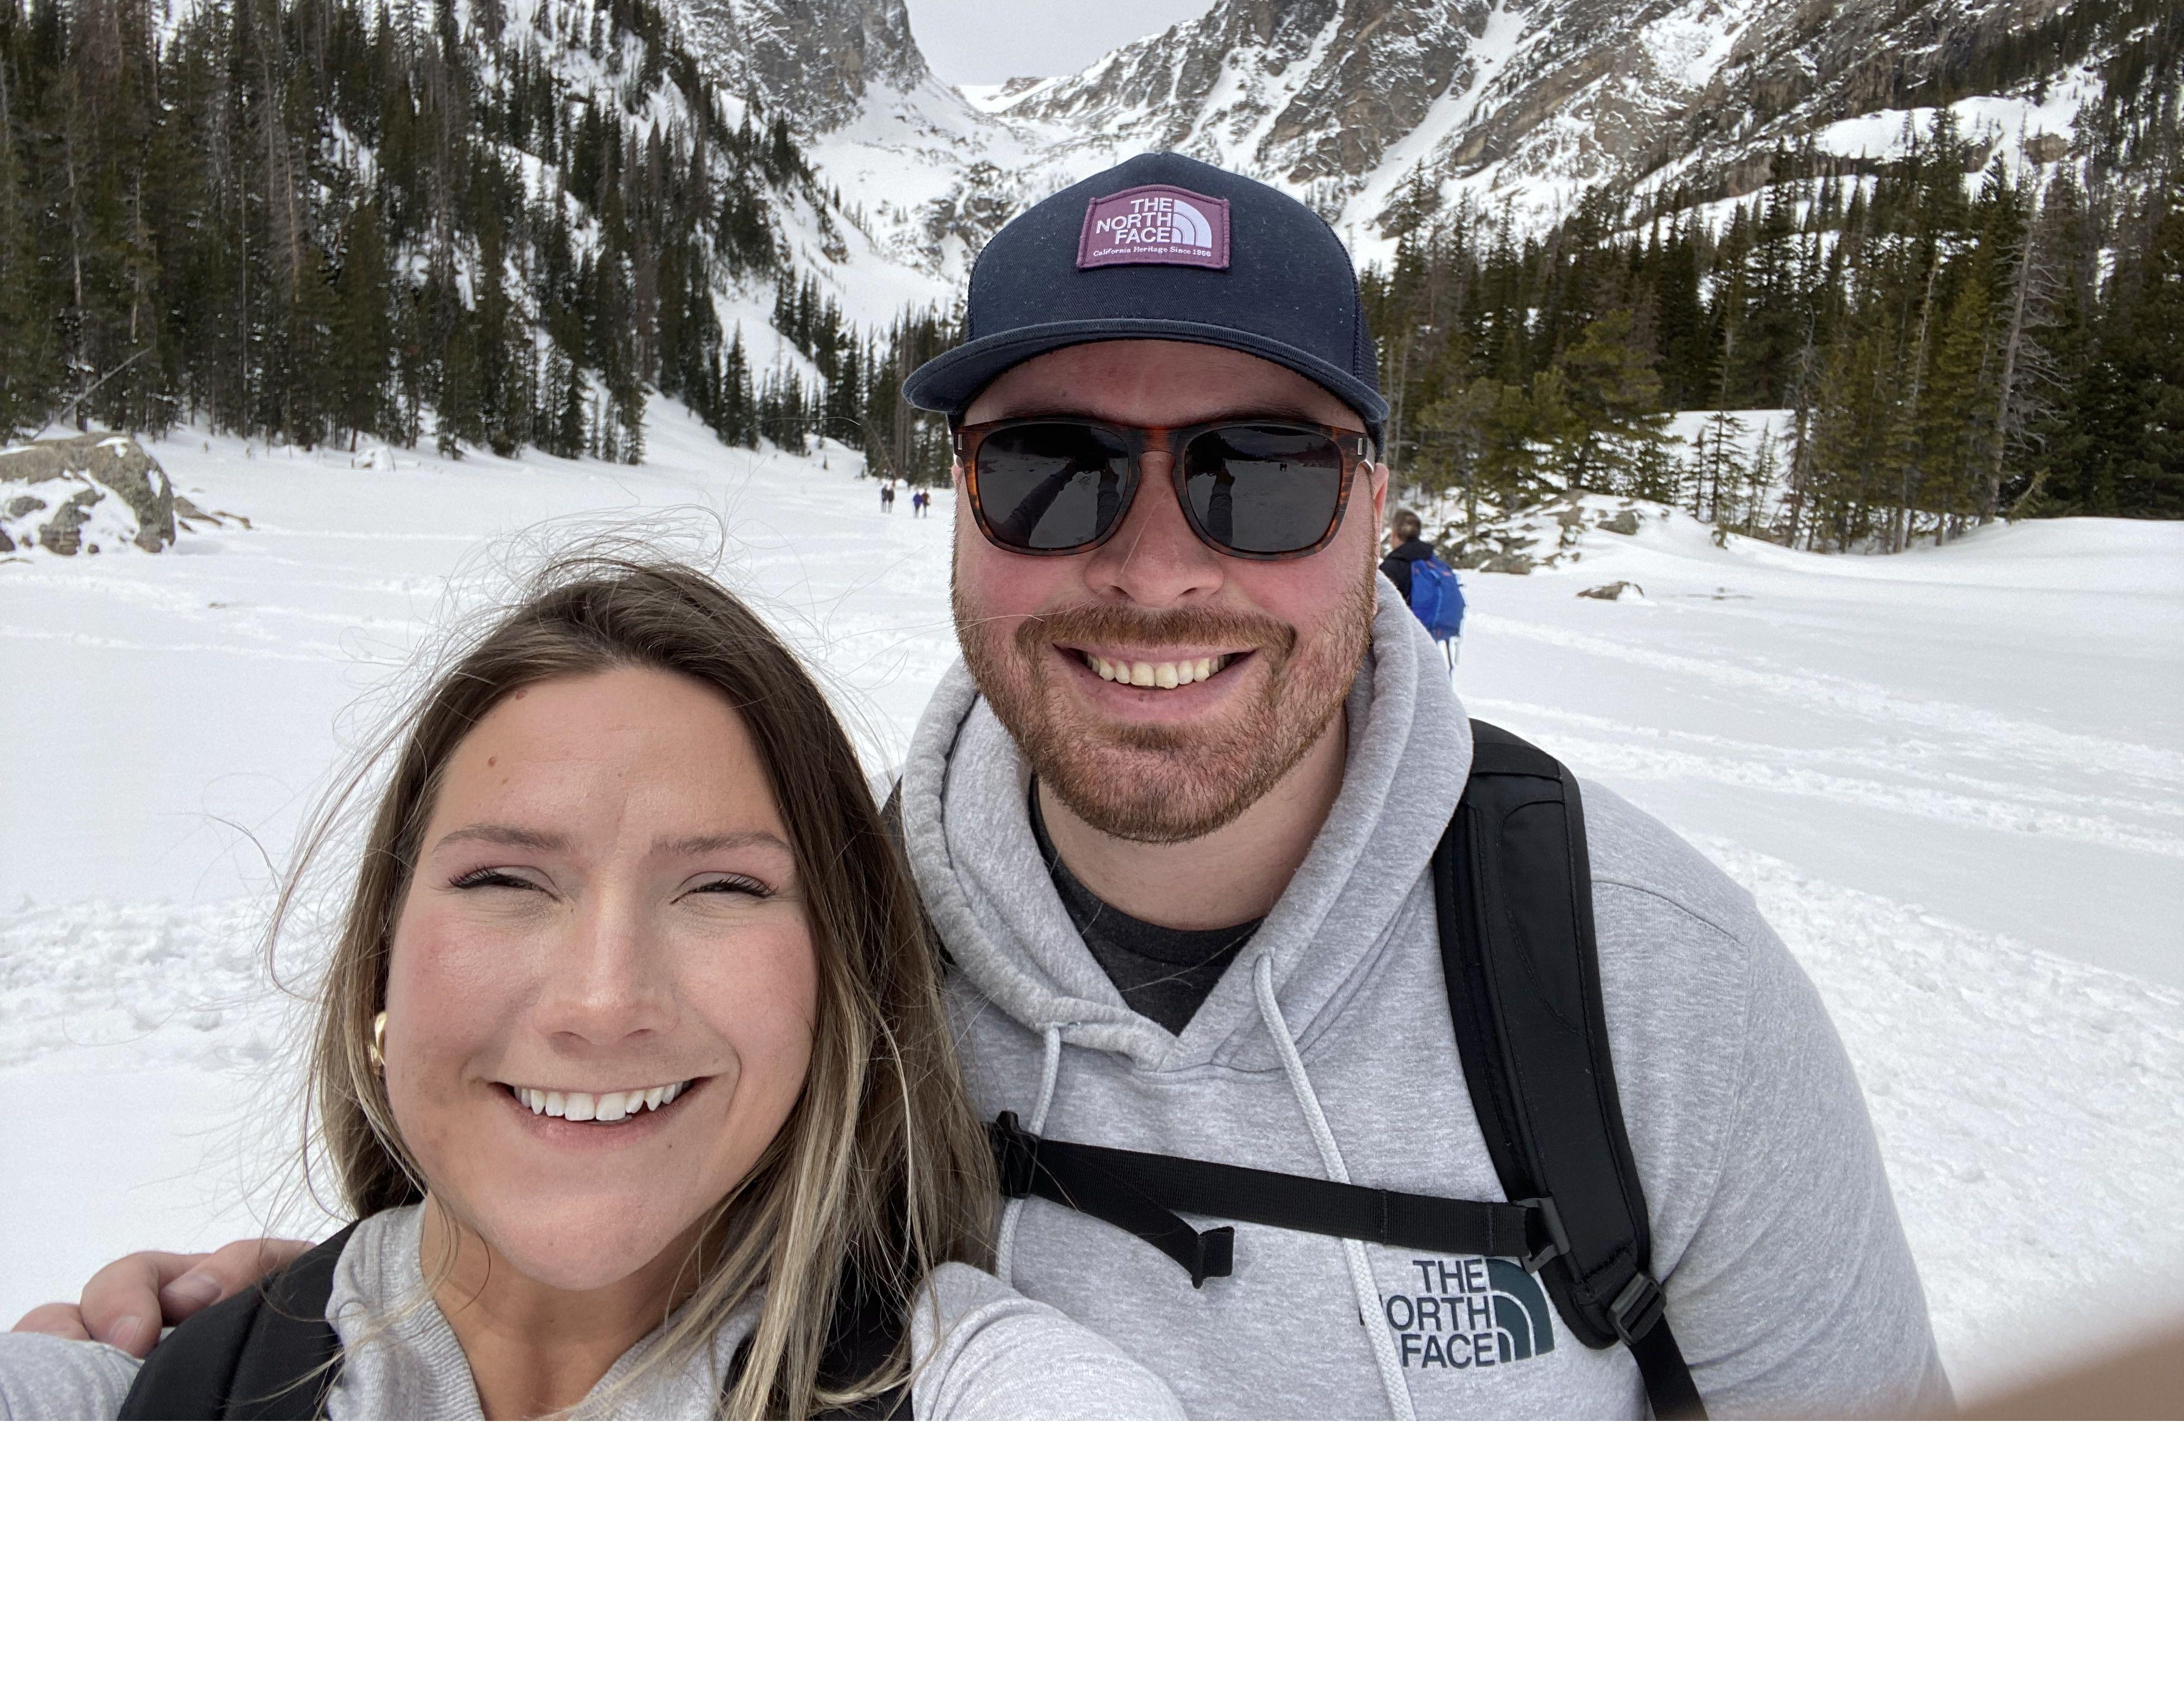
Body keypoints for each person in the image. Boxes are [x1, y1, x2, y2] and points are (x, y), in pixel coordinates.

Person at [55, 153, 1949, 1421]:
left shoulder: (1640, 986)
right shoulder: (815, 949)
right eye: (1052, 468)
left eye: (1262, 474)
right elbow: (575, 1238)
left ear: (1374, 507)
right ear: (956, 504)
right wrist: (292, 1331)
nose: (1153, 567)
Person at [2, 560, 1180, 1420]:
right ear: (380, 964)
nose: (604, 1001)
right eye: (506, 880)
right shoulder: (147, 1398)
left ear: (839, 982)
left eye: (721, 888)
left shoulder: (974, 1398)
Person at [1380, 507, 1463, 668]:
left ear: (1394, 534)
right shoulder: (1432, 562)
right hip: (1430, 642)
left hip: (1401, 647)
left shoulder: (1391, 568)